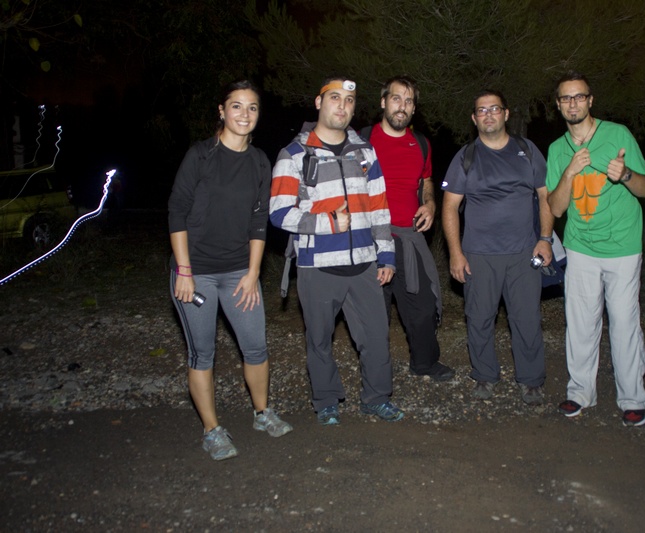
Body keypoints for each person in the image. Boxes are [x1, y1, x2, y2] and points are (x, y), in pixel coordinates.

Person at [168, 80, 292, 462]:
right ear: (222, 111)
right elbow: (177, 212)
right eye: (236, 106)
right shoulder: (200, 156)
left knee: (255, 346)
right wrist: (184, 271)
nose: (244, 114)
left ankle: (262, 412)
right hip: (196, 273)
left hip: (239, 270)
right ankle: (212, 430)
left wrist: (253, 273)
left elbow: (259, 221)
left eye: (252, 107)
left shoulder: (259, 162)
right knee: (202, 353)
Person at [269, 76, 404, 425]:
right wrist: (328, 222)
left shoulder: (365, 152)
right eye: (334, 98)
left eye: (349, 101)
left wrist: (386, 255)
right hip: (317, 265)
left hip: (364, 264)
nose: (342, 106)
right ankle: (326, 400)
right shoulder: (294, 154)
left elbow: (379, 208)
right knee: (319, 340)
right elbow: (279, 212)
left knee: (376, 337)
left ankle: (376, 398)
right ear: (319, 103)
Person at [546, 71, 645, 427]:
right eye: (566, 98)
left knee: (623, 322)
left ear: (590, 100)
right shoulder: (557, 149)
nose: (573, 103)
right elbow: (556, 208)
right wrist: (569, 173)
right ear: (558, 105)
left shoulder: (618, 134)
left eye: (579, 96)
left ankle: (632, 398)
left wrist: (625, 175)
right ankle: (580, 392)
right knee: (580, 323)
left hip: (622, 246)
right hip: (580, 247)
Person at [441, 89, 554, 405]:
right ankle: (484, 375)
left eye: (494, 108)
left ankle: (531, 380)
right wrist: (456, 253)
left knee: (527, 319)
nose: (488, 114)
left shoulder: (526, 150)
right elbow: (449, 207)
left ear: (505, 114)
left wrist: (545, 239)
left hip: (524, 252)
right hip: (479, 254)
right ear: (474, 118)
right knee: (479, 318)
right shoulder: (466, 156)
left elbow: (545, 195)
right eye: (481, 110)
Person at [363, 76, 454, 382]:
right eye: (396, 98)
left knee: (423, 307)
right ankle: (376, 376)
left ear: (414, 108)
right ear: (383, 102)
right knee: (373, 312)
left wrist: (430, 204)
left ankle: (424, 363)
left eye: (409, 101)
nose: (402, 106)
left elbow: (426, 180)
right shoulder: (362, 140)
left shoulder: (421, 144)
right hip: (370, 239)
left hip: (408, 237)